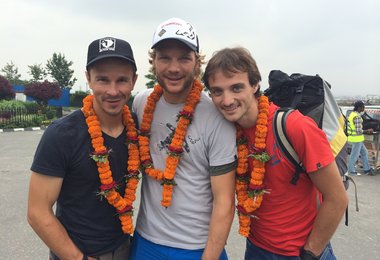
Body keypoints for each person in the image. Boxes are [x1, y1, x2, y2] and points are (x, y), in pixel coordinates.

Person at [203, 47, 349, 260]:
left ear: (255, 85)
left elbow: (337, 199)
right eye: (217, 91)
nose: (226, 100)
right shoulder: (228, 132)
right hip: (255, 248)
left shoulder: (295, 127)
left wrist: (311, 252)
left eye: (236, 88)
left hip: (300, 253)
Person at [130, 17, 236, 260]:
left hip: (197, 247)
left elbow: (224, 202)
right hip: (146, 242)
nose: (174, 68)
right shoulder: (142, 103)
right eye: (165, 57)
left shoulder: (216, 115)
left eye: (184, 58)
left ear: (197, 62)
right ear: (153, 61)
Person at [27, 37, 139, 260]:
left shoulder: (136, 129)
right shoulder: (62, 134)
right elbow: (37, 212)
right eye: (103, 80)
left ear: (134, 81)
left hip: (126, 250)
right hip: (77, 254)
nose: (113, 91)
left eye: (122, 80)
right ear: (88, 78)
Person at [347, 100, 374, 175]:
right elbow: (359, 131)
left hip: (356, 139)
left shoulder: (352, 114)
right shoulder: (357, 117)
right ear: (359, 107)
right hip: (357, 139)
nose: (364, 109)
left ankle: (367, 169)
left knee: (364, 152)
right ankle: (351, 170)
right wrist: (368, 131)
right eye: (363, 107)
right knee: (354, 155)